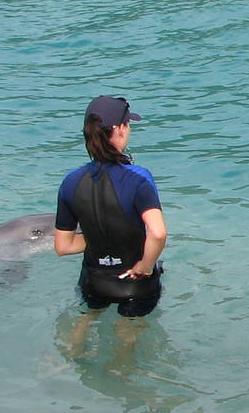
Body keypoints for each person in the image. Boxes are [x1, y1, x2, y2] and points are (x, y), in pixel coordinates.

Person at [54, 95, 167, 318]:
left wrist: (100, 238)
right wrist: (144, 268)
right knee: (126, 339)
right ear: (120, 129)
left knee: (86, 321)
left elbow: (63, 247)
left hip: (94, 282)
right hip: (135, 285)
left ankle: (73, 348)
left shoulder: (70, 182)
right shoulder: (139, 178)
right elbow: (158, 233)